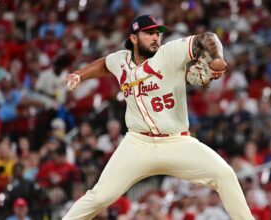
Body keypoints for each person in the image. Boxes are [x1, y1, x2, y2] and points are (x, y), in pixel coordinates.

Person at [64, 14, 254, 220]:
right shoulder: (120, 60)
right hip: (138, 143)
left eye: (158, 33)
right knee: (100, 197)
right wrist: (79, 75)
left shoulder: (170, 53)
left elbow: (207, 38)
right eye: (149, 33)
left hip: (176, 141)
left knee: (224, 174)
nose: (156, 37)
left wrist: (217, 57)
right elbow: (105, 64)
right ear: (134, 38)